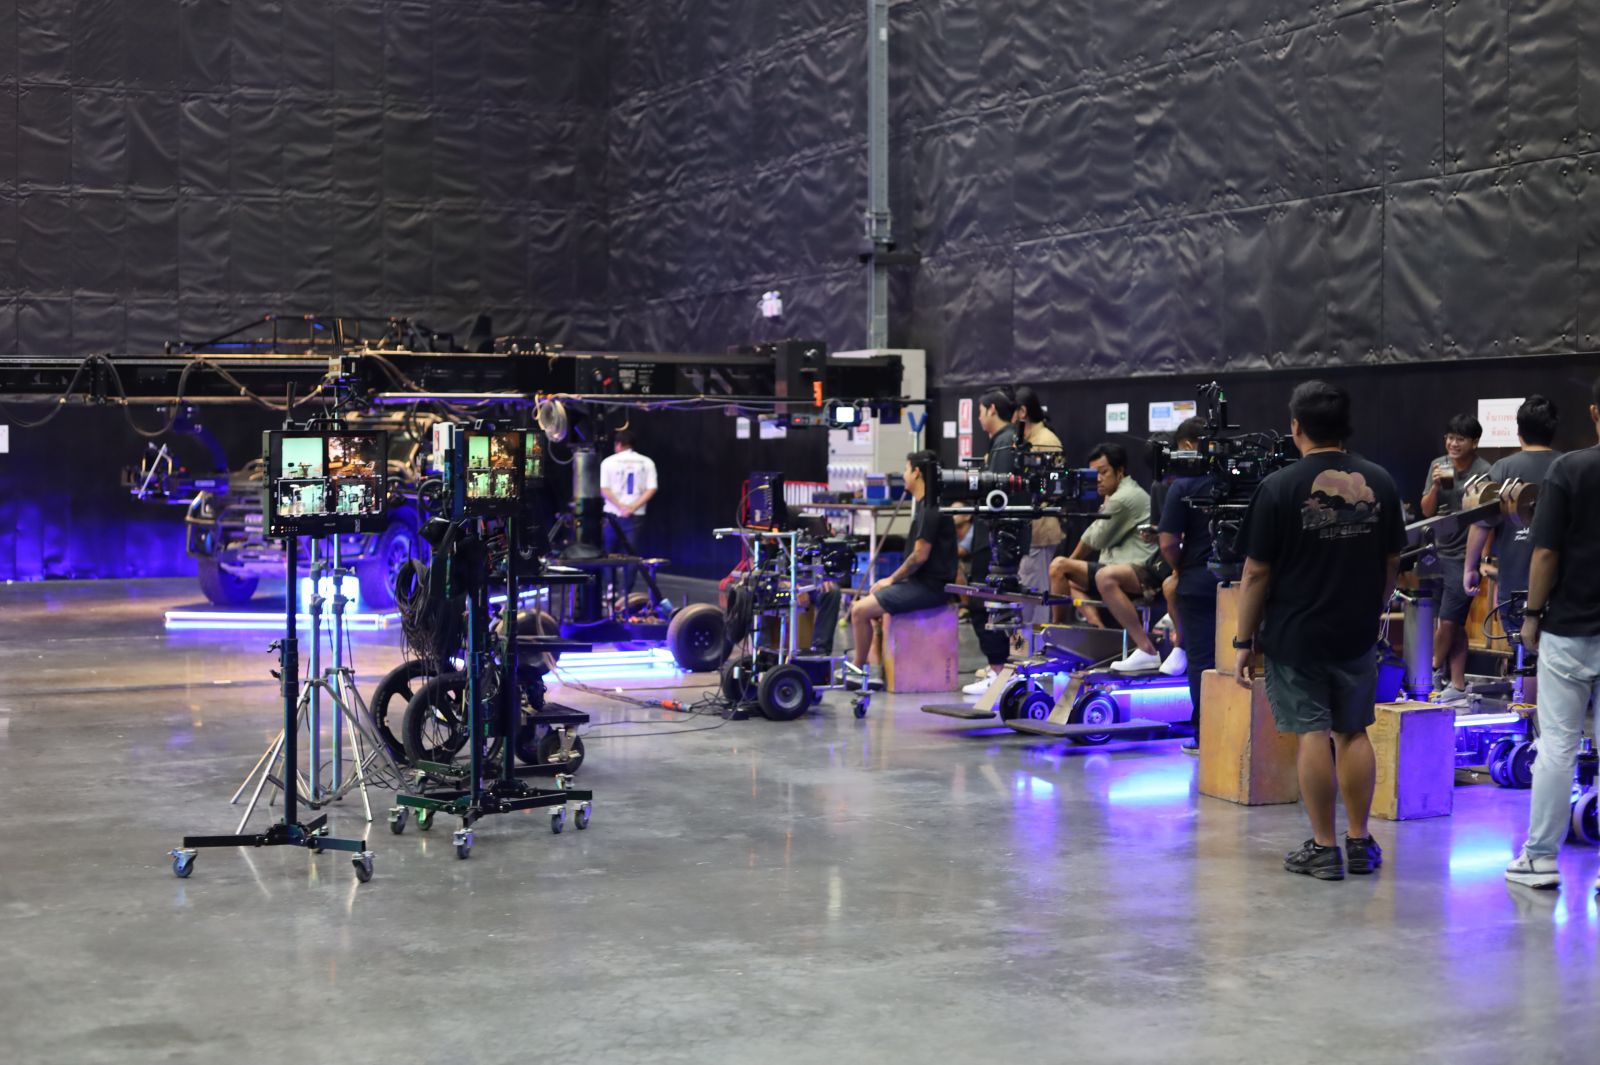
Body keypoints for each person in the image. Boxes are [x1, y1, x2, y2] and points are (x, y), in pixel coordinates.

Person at [1233, 380, 1405, 881]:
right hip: (1357, 630)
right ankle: (1360, 841)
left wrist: (1243, 640)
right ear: (1345, 426)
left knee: (1312, 732)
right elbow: (1392, 561)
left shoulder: (1278, 487)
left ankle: (1324, 848)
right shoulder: (1381, 481)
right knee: (1353, 730)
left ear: (1296, 427)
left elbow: (1256, 572)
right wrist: (1376, 605)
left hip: (1296, 634)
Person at [1504, 377, 1600, 892]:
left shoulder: (1571, 469)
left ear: (1594, 413)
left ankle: (1540, 859)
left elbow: (1545, 553)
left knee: (1558, 747)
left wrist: (1532, 614)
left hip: (1568, 629)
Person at [1097, 419, 1206, 676]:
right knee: (1106, 577)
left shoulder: (1199, 484)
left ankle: (1181, 647)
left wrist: (1177, 566)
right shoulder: (1160, 486)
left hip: (1189, 561)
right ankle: (1146, 649)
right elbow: (1164, 534)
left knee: (1171, 586)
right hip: (1163, 560)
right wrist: (1154, 535)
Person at [846, 451, 960, 689]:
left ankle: (857, 670)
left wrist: (891, 579)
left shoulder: (931, 509)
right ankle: (874, 669)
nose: (904, 474)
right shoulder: (925, 506)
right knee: (870, 603)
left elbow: (919, 556)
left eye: (906, 469)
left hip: (930, 587)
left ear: (917, 473)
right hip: (920, 583)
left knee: (858, 611)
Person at [1464, 396, 1561, 628]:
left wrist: (1469, 568)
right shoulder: (1566, 466)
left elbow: (1480, 523)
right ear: (1553, 429)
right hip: (1560, 585)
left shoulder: (1503, 468)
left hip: (1514, 584)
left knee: (1518, 646)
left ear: (1519, 431)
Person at [1419, 414, 1491, 703]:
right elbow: (1426, 511)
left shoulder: (1484, 471)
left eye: (1460, 439)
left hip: (1464, 558)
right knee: (1450, 623)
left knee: (1448, 622)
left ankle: (1431, 670)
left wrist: (1482, 559)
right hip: (1435, 552)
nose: (1453, 443)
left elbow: (1490, 519)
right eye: (1450, 437)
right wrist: (1435, 487)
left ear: (1474, 442)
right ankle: (1458, 684)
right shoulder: (1438, 465)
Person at [1048, 443, 1152, 626]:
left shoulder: (1123, 497)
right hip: (1120, 567)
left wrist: (1068, 564)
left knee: (1059, 567)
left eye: (1104, 472)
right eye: (1093, 474)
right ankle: (1098, 627)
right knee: (1068, 579)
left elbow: (1094, 539)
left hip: (1138, 572)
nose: (1097, 479)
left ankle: (1056, 628)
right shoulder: (1115, 494)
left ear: (1120, 471)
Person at [962, 390, 1021, 697]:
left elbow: (998, 489)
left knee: (983, 601)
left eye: (980, 412)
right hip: (996, 535)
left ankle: (999, 673)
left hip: (997, 537)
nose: (979, 418)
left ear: (992, 410)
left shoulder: (1004, 443)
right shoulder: (1005, 441)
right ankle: (999, 670)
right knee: (986, 601)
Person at [1011, 386, 1065, 629]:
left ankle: (1033, 648)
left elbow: (1053, 487)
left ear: (1022, 412)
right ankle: (1021, 648)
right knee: (1024, 597)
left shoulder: (1046, 441)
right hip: (1026, 531)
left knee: (1033, 598)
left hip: (1039, 531)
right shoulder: (1024, 441)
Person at [601, 429, 658, 555]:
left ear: (618, 444)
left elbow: (604, 488)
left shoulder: (608, 462)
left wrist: (620, 506)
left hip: (612, 513)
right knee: (632, 554)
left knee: (607, 554)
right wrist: (632, 507)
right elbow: (652, 488)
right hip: (636, 514)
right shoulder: (647, 462)